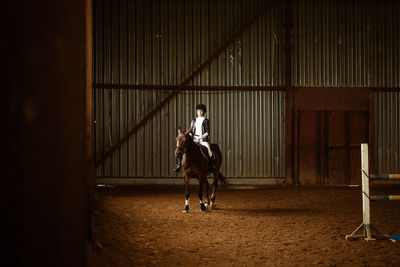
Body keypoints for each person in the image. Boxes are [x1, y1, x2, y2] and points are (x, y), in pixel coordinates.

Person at [174, 104, 216, 173]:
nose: (199, 112)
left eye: (201, 111)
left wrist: (200, 137)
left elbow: (208, 132)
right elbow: (191, 130)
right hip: (194, 139)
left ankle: (211, 166)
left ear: (203, 112)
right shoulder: (194, 120)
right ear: (197, 111)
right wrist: (190, 135)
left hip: (203, 140)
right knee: (184, 150)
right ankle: (179, 165)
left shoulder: (206, 120)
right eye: (198, 111)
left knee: (209, 151)